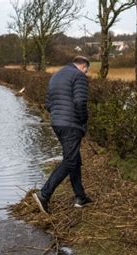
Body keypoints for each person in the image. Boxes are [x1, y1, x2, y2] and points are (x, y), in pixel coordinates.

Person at [33, 56, 93, 214]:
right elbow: (80, 101)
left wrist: (58, 116)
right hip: (71, 124)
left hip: (57, 123)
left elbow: (48, 103)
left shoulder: (56, 75)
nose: (86, 73)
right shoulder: (79, 76)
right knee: (70, 160)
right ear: (83, 65)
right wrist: (83, 120)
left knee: (74, 158)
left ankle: (80, 197)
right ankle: (44, 194)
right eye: (87, 70)